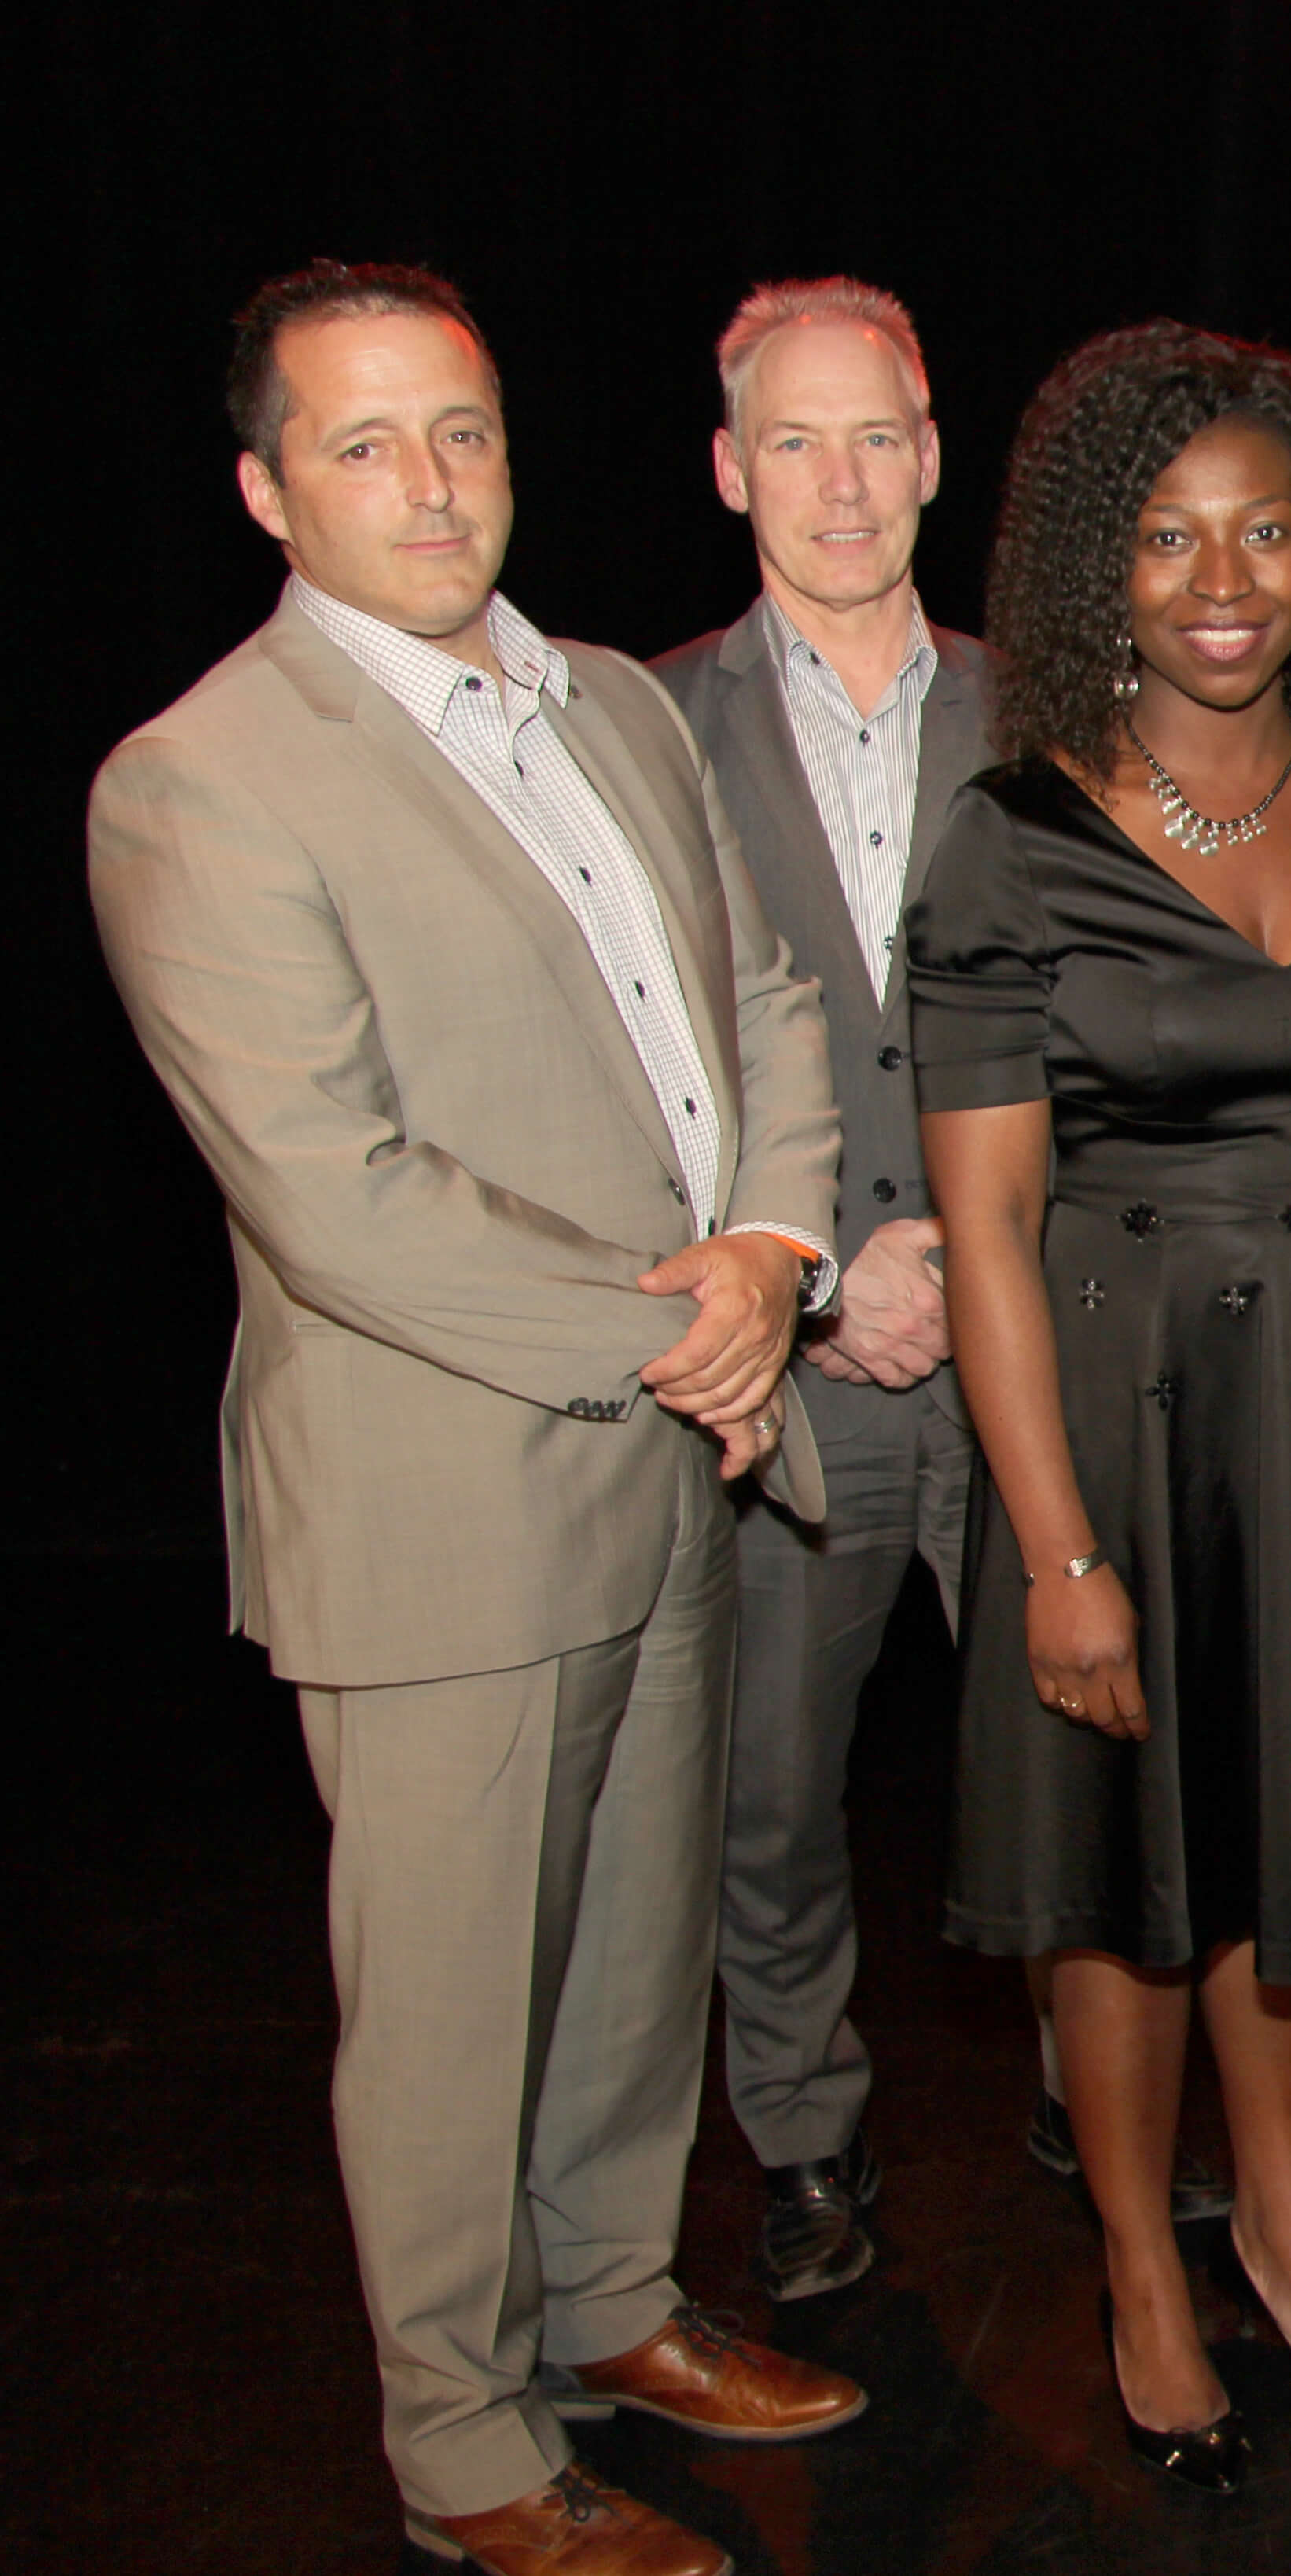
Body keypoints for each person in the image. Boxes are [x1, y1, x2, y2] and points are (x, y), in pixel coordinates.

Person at [89, 259, 862, 2576]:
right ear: (263, 488)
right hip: (443, 1497)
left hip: (673, 1452)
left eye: (463, 430)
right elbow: (342, 1198)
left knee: (634, 1952)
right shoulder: (198, 780)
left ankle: (612, 2302)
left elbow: (760, 1000)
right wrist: (682, 1323)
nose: (429, 484)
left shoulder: (614, 702)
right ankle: (464, 2445)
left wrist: (776, 1255)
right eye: (361, 444)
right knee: (443, 2014)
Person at [907, 322, 1291, 2494]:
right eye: (1169, 536)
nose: (1224, 572)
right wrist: (1058, 1548)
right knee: (1119, 1873)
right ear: (1104, 571)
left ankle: (1277, 2225)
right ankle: (1143, 2274)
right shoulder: (1009, 844)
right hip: (1117, 1406)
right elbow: (981, 1228)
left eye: (1267, 529)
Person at [649, 277, 991, 2302]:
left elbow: (1129, 1013)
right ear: (727, 468)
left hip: (1025, 1337)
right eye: (794, 439)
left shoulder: (1055, 697)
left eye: (876, 436)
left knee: (1090, 1757)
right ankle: (804, 2136)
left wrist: (954, 1250)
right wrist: (815, 1273)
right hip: (789, 1374)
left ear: (931, 457)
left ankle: (1106, 2102)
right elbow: (636, 1050)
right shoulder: (640, 725)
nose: (840, 481)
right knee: (770, 1794)